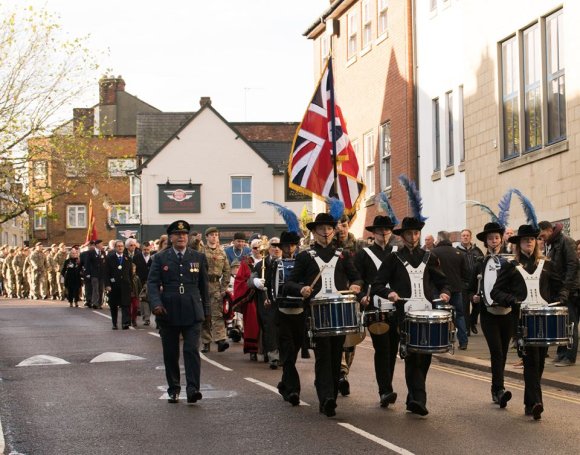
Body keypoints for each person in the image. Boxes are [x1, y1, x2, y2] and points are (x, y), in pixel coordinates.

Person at [371, 217, 450, 417]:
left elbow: (443, 281)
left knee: (425, 357)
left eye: (416, 233)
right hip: (404, 315)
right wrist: (389, 293)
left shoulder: (428, 257)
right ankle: (418, 399)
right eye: (409, 233)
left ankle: (412, 397)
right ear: (403, 236)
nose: (413, 237)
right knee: (411, 355)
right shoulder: (393, 258)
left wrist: (445, 292)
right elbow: (378, 284)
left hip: (427, 313)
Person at [285, 213, 362, 418]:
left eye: (329, 228)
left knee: (337, 355)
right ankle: (326, 397)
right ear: (314, 232)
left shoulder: (342, 255)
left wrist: (356, 286)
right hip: (317, 313)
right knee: (323, 355)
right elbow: (289, 284)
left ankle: (331, 396)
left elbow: (357, 278)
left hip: (339, 312)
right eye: (322, 229)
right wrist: (301, 289)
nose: (326, 233)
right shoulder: (304, 256)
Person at [491, 224, 563, 420]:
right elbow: (495, 292)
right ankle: (538, 402)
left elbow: (558, 286)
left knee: (539, 362)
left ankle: (529, 403)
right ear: (518, 244)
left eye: (532, 239)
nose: (529, 242)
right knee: (531, 360)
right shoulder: (510, 266)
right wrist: (512, 301)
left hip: (544, 319)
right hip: (523, 320)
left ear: (536, 242)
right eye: (525, 240)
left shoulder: (547, 264)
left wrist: (562, 296)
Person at [148, 220, 210, 404]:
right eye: (177, 234)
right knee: (171, 352)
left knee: (191, 350)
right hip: (168, 311)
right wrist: (156, 304)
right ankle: (174, 388)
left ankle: (193, 389)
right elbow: (152, 283)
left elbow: (203, 286)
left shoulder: (198, 257)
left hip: (192, 310)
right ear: (171, 237)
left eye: (184, 234)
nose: (181, 237)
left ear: (188, 237)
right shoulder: (161, 258)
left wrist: (206, 310)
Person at [355, 216, 401, 408]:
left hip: (397, 307)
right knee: (382, 349)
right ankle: (385, 390)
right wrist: (361, 297)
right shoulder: (364, 254)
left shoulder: (398, 252)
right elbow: (357, 279)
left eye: (387, 230)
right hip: (375, 307)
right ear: (373, 233)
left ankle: (386, 386)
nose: (383, 234)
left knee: (392, 350)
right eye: (380, 230)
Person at [468, 222, 514, 408]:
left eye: (496, 237)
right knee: (496, 351)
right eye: (490, 238)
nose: (494, 241)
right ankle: (499, 390)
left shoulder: (510, 261)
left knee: (503, 352)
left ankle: (497, 388)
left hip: (507, 312)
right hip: (488, 314)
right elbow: (470, 286)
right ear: (486, 242)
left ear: (501, 239)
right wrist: (474, 297)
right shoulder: (480, 262)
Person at [538, 220, 579, 367]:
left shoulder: (565, 241)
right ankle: (562, 354)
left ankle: (569, 356)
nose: (542, 238)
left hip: (569, 290)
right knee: (563, 323)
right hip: (558, 289)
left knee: (571, 324)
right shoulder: (552, 243)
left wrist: (565, 290)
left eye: (543, 235)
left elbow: (572, 266)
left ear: (549, 230)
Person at [270, 231, 303, 405]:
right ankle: (293, 391)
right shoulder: (276, 264)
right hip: (282, 313)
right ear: (281, 247)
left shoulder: (302, 262)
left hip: (300, 312)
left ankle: (284, 384)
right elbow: (271, 286)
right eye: (286, 245)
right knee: (288, 352)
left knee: (294, 351)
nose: (289, 248)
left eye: (292, 245)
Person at [334, 214, 363, 396]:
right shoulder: (330, 246)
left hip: (353, 298)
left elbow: (365, 272)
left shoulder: (359, 246)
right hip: (334, 299)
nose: (341, 229)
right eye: (337, 226)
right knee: (337, 338)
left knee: (351, 341)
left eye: (344, 225)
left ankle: (344, 372)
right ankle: (340, 374)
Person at [249, 237, 281, 369]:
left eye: (279, 246)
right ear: (269, 248)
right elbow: (249, 281)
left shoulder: (288, 262)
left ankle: (283, 355)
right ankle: (273, 356)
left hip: (282, 300)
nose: (277, 248)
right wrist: (255, 282)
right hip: (266, 300)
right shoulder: (260, 264)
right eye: (273, 246)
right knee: (269, 327)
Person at [434, 231, 469, 350]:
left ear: (439, 239)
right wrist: (461, 285)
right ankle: (463, 342)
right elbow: (465, 273)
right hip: (456, 289)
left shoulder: (434, 253)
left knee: (441, 316)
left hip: (440, 291)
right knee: (459, 315)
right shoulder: (458, 253)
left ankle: (442, 341)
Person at [200, 227, 231, 353]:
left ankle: (221, 340)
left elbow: (227, 271)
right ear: (206, 237)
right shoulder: (201, 251)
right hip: (203, 285)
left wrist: (224, 287)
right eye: (211, 235)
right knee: (204, 315)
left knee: (217, 314)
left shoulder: (222, 252)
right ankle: (206, 342)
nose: (214, 237)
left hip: (216, 286)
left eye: (216, 235)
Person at [456, 229, 484, 334]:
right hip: (463, 282)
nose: (465, 237)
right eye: (463, 235)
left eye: (467, 235)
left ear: (470, 237)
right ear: (461, 237)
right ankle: (466, 329)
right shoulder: (457, 251)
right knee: (464, 307)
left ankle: (472, 322)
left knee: (477, 306)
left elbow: (483, 264)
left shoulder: (477, 250)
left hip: (476, 283)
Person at [105, 240, 133, 330]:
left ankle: (125, 323)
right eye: (118, 246)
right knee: (113, 306)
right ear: (115, 247)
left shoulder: (128, 259)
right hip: (114, 286)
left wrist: (131, 286)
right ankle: (114, 323)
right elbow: (106, 273)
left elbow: (130, 274)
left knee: (125, 305)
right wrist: (107, 285)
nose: (120, 247)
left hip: (125, 286)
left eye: (121, 246)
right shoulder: (110, 258)